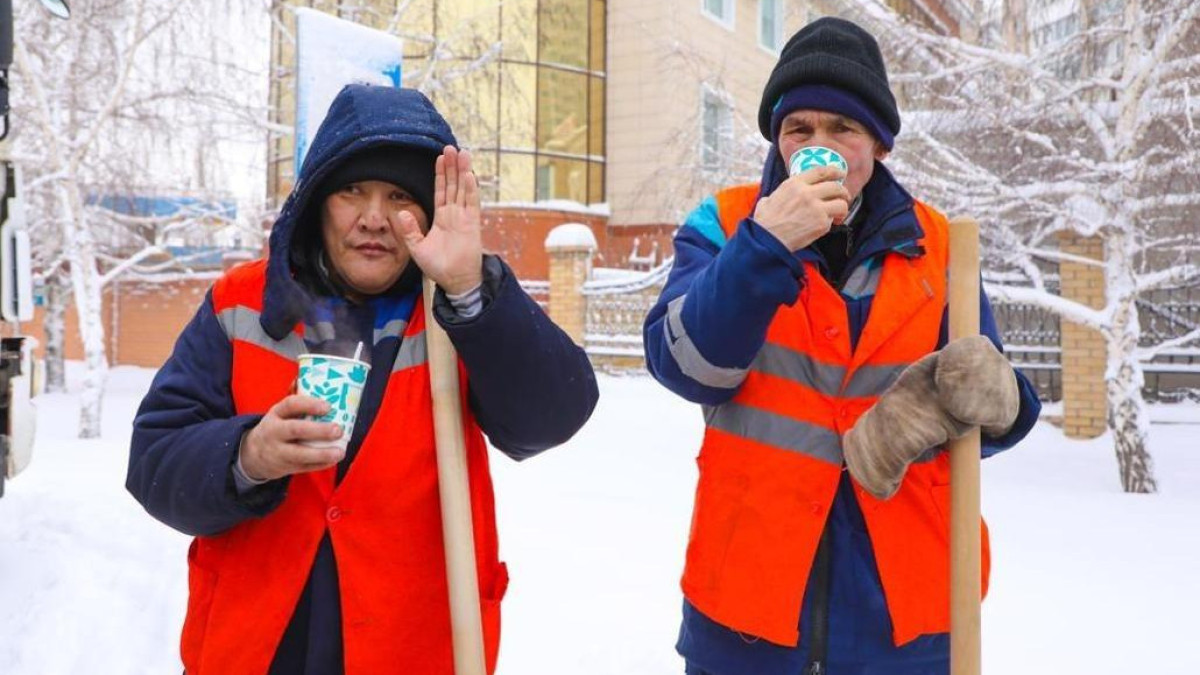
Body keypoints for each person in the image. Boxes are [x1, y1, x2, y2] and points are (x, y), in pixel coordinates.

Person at [127, 84, 598, 675]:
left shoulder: (459, 308)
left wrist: (472, 290)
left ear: (425, 210)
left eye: (399, 194)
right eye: (353, 190)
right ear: (317, 200)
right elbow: (154, 464)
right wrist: (248, 456)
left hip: (414, 647)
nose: (374, 219)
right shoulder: (238, 306)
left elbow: (553, 416)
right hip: (255, 647)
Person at [643, 17, 1041, 675]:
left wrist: (1005, 402)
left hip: (907, 621)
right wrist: (763, 247)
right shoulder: (724, 223)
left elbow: (983, 408)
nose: (818, 146)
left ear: (877, 144)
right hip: (748, 617)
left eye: (842, 128)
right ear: (778, 136)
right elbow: (685, 365)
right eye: (799, 128)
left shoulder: (938, 247)